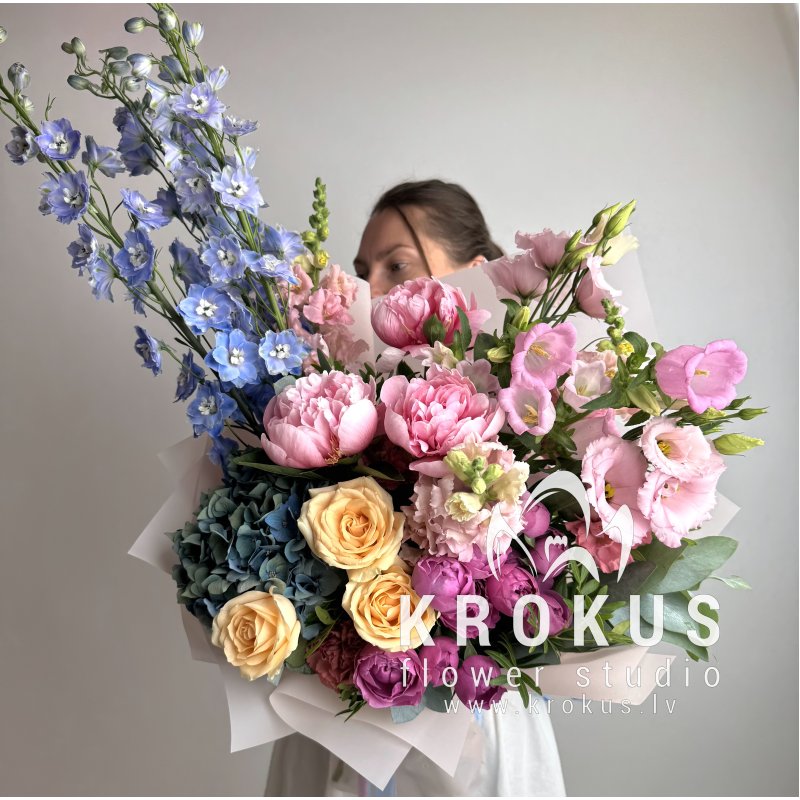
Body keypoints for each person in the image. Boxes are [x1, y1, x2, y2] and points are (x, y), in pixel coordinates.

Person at [265, 179, 566, 797]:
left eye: (397, 265)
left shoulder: (521, 419)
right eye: (363, 272)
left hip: (468, 716)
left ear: (475, 275)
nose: (370, 291)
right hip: (335, 717)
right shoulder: (327, 401)